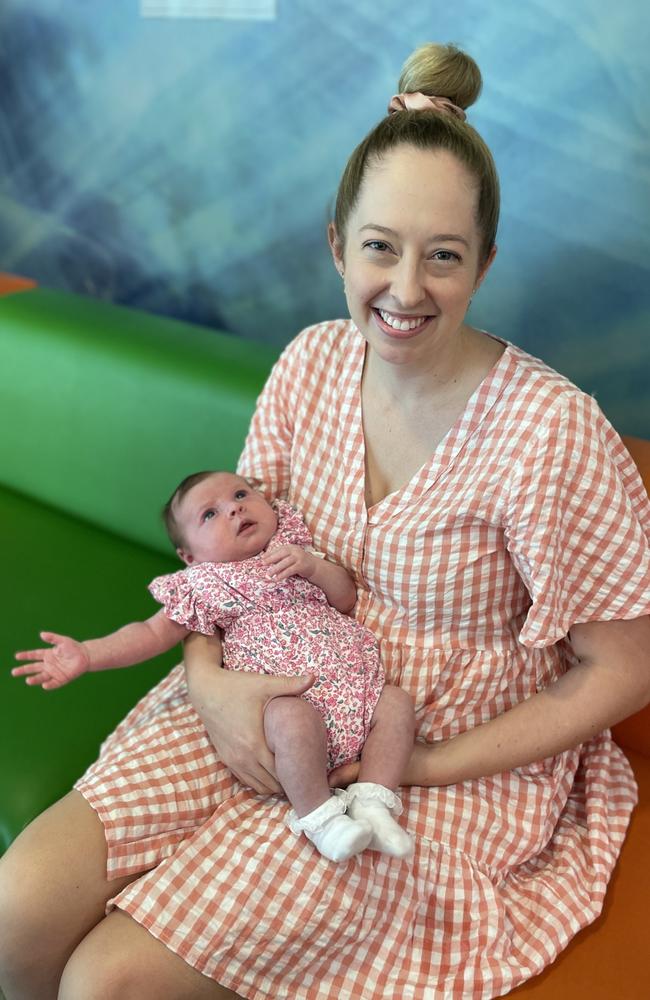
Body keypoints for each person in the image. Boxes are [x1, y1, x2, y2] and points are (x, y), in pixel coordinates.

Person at [1, 40, 650, 1000]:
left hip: (441, 740)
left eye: (444, 256)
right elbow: (227, 575)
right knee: (18, 903)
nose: (405, 289)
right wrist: (214, 688)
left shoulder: (553, 432)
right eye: (380, 246)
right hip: (264, 671)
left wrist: (422, 764)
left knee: (109, 982)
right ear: (337, 242)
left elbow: (624, 669)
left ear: (486, 262)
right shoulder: (308, 363)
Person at [12, 471, 415, 863]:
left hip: (351, 690)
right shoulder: (202, 586)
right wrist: (88, 654)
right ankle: (322, 819)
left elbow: (344, 599)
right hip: (285, 703)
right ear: (189, 556)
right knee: (292, 721)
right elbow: (150, 634)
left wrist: (313, 567)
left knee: (396, 704)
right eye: (210, 514)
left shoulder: (291, 546)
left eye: (241, 495)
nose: (234, 510)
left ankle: (373, 805)